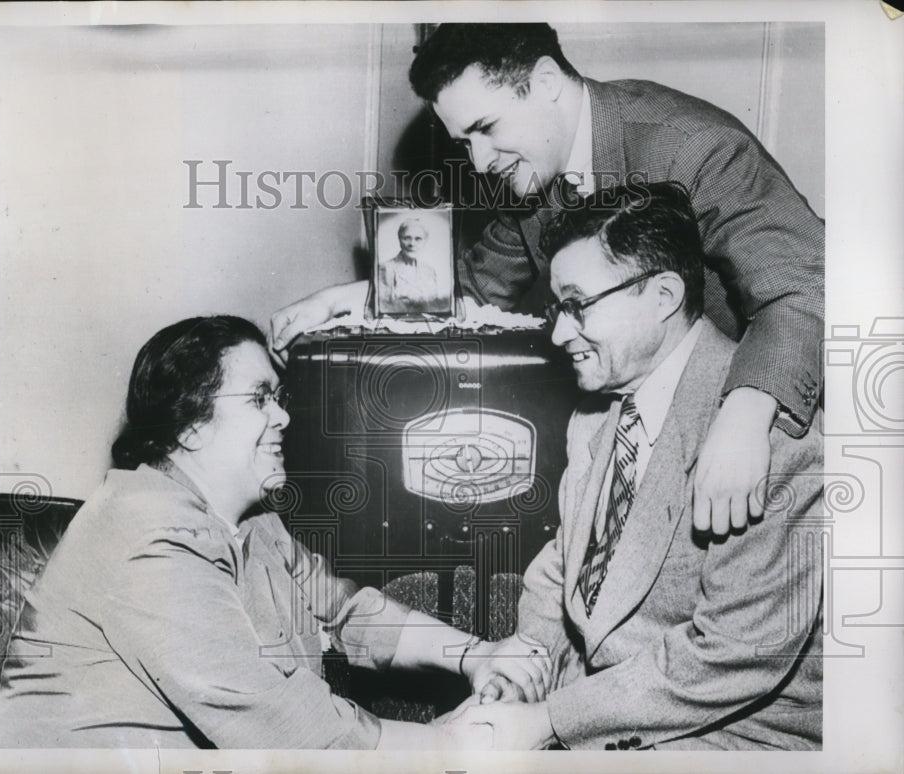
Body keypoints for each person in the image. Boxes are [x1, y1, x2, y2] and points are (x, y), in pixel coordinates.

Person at [269, 23, 825, 538]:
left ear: (545, 81)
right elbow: (476, 290)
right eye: (465, 143)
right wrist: (348, 299)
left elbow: (806, 283)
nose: (481, 162)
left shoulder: (693, 146)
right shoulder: (532, 177)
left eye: (486, 128)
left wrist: (745, 417)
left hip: (755, 425)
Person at [0, 315, 551, 749]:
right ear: (191, 425)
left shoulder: (256, 529)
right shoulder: (145, 532)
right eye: (260, 399)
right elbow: (276, 718)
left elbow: (353, 613)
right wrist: (449, 748)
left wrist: (478, 656)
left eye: (281, 398)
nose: (284, 417)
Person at [448, 182, 823, 750]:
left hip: (738, 733)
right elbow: (566, 563)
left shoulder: (763, 442)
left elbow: (732, 655)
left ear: (664, 295)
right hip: (614, 704)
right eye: (556, 308)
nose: (558, 332)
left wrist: (549, 722)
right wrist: (523, 665)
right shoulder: (597, 415)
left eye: (577, 306)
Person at [378, 218, 444, 314]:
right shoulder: (386, 268)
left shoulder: (429, 271)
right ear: (399, 239)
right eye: (406, 238)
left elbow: (433, 305)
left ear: (425, 241)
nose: (412, 244)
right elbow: (383, 308)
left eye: (418, 239)